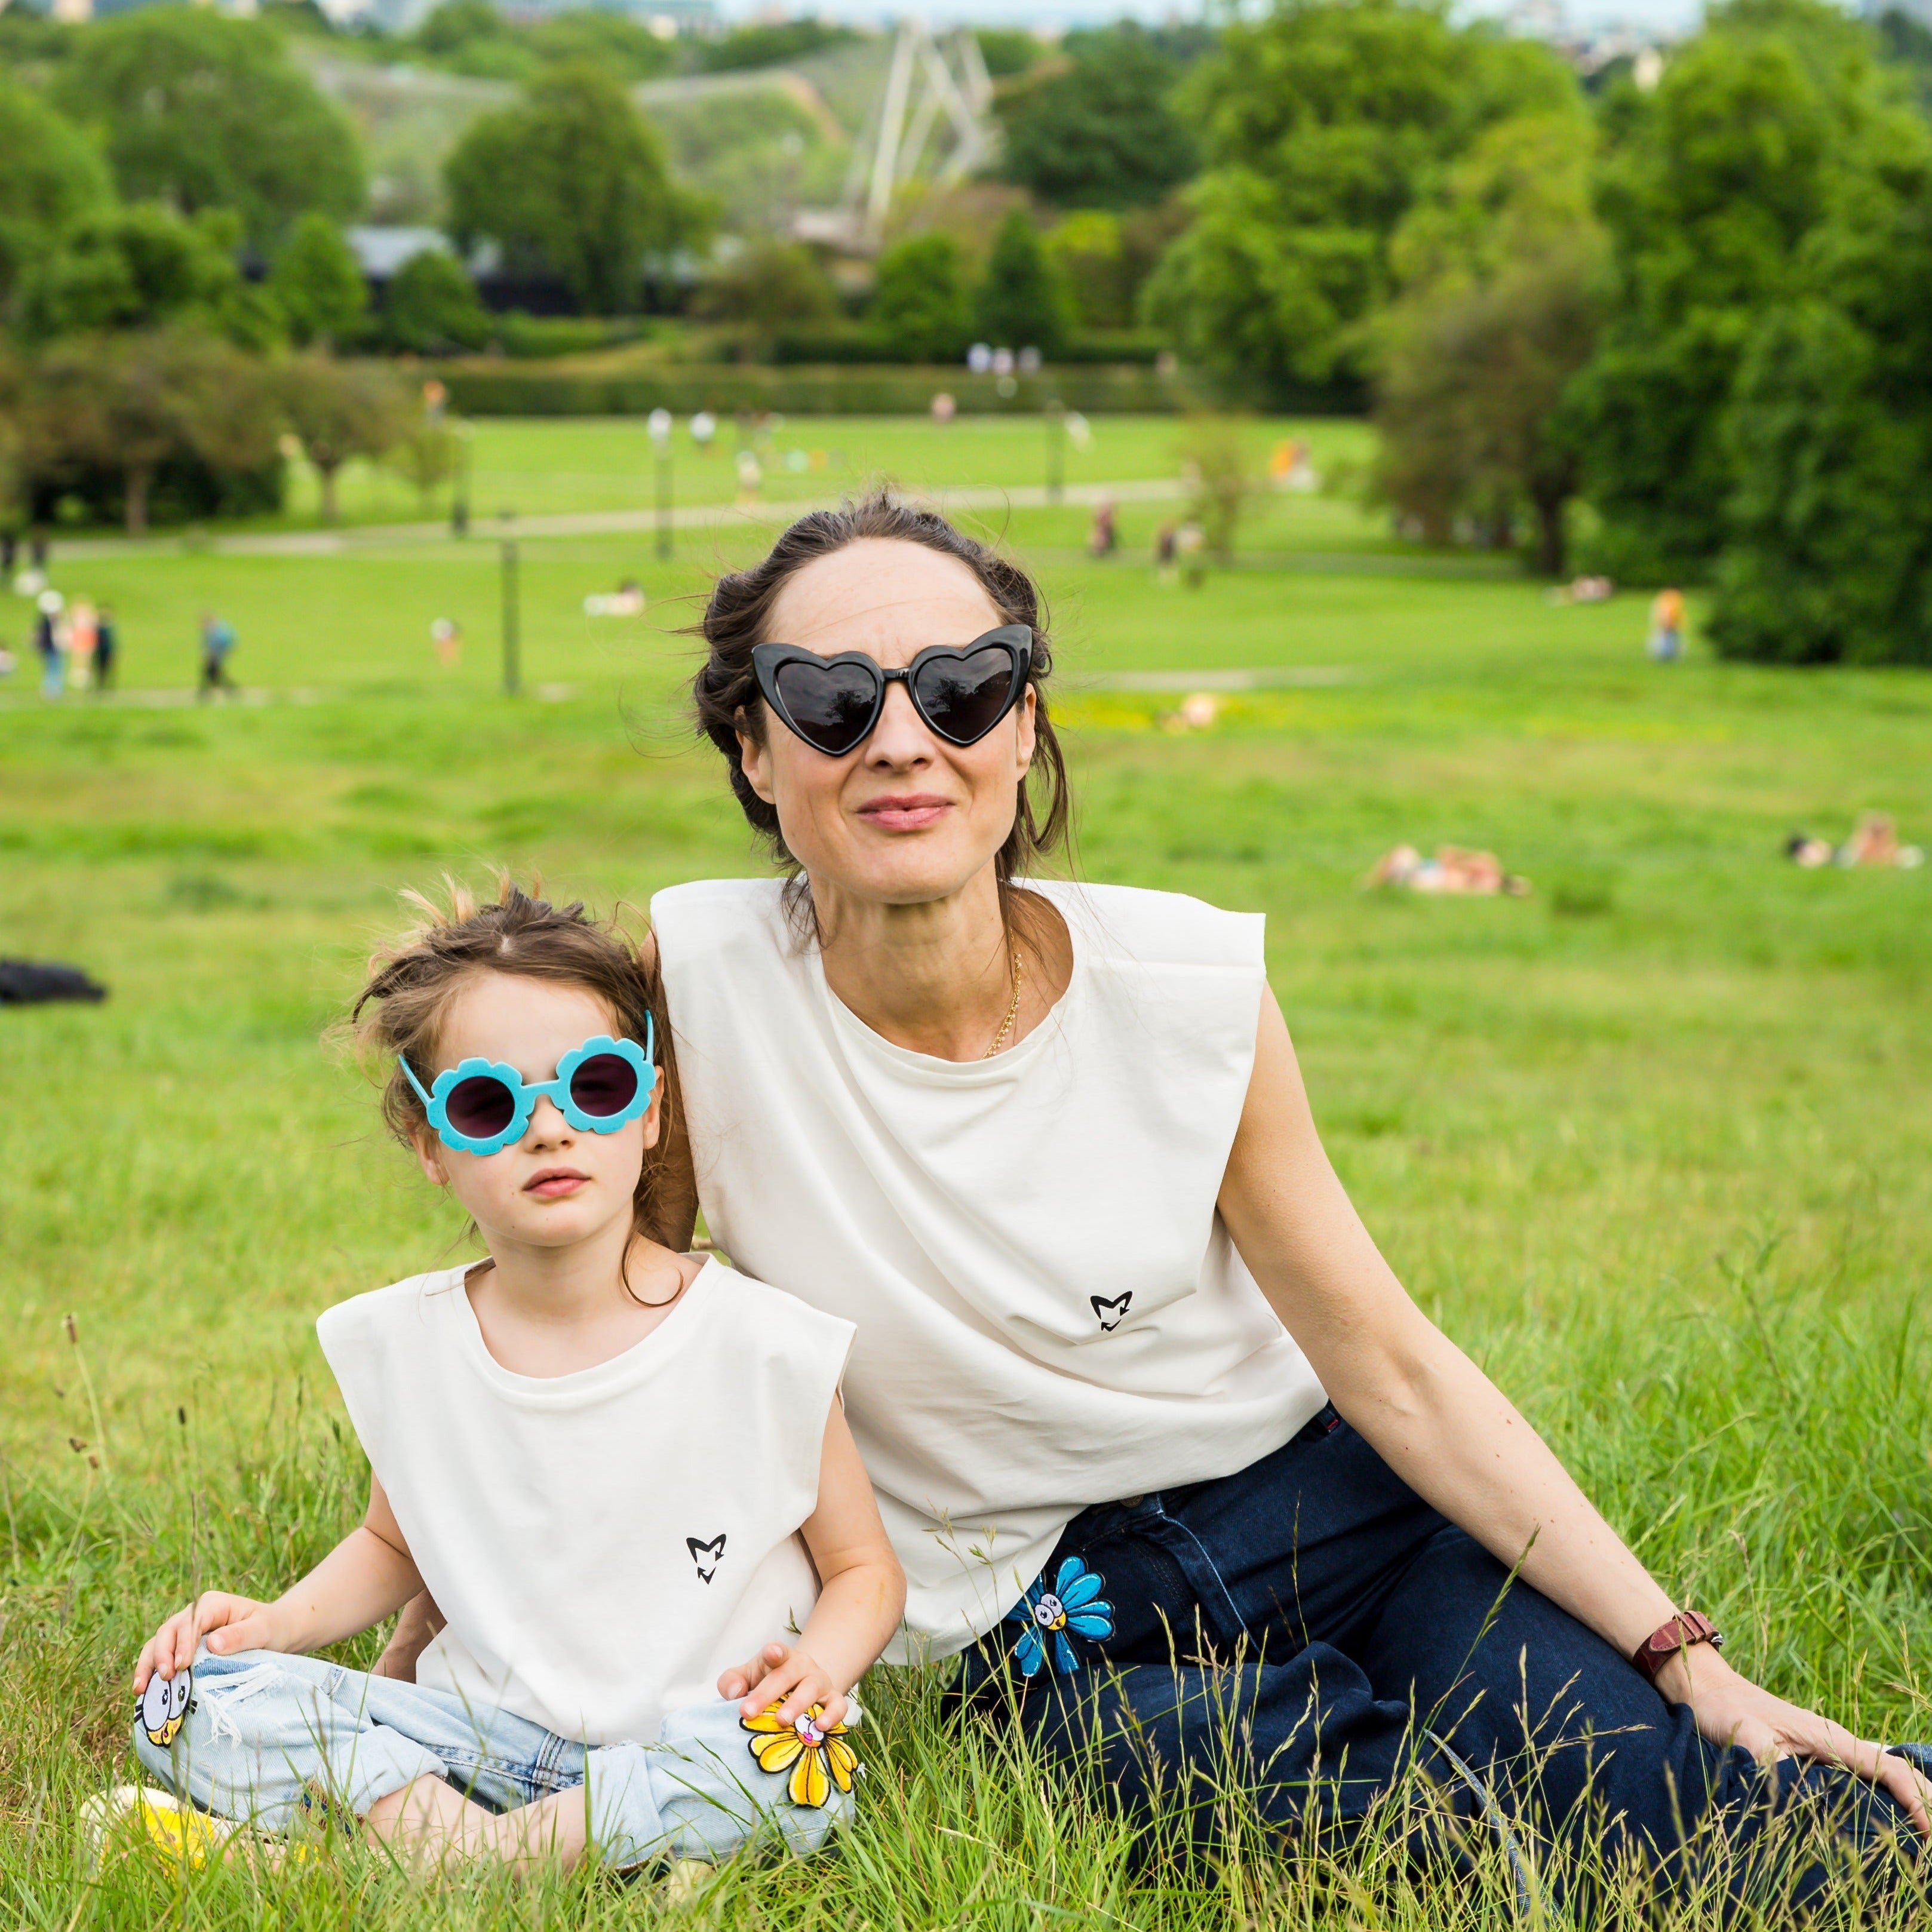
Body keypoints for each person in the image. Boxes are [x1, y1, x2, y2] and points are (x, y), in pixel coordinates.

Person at [379, 493, 1930, 1908]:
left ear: (1020, 721)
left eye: (961, 686)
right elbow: (601, 1349)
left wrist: (1681, 1652)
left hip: (1342, 1516)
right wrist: (444, 1644)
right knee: (1200, 1791)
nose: (902, 738)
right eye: (834, 700)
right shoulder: (697, 991)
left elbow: (1388, 1363)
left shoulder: (1188, 989)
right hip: (1052, 1607)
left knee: (1689, 1808)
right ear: (754, 750)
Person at [119, 884, 903, 1876]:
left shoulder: (762, 1344)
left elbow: (866, 1572)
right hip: (473, 1744)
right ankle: (508, 1850)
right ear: (432, 1143)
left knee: (797, 1772)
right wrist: (273, 1626)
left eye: (598, 1087)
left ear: (651, 1112)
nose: (549, 1127)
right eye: (490, 1102)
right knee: (185, 1698)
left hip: (689, 1741)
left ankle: (412, 1857)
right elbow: (390, 1544)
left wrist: (817, 1670)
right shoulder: (415, 1343)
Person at [198, 612, 236, 699]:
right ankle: (229, 689)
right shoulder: (211, 632)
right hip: (215, 656)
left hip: (215, 656)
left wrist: (210, 655)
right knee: (212, 674)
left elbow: (217, 645)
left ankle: (205, 693)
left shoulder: (216, 632)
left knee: (211, 674)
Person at [34, 589, 64, 700]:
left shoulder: (51, 620)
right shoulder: (47, 622)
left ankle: (54, 689)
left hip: (52, 648)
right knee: (52, 668)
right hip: (51, 648)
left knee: (54, 668)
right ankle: (51, 689)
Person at [1648, 587, 1685, 661]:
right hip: (1668, 624)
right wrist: (1667, 623)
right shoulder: (1668, 602)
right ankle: (1666, 655)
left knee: (1671, 640)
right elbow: (1666, 614)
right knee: (1667, 640)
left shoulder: (1669, 601)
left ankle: (1669, 654)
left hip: (1671, 624)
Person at [92, 605, 116, 692]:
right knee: (100, 671)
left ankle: (107, 687)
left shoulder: (105, 628)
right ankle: (101, 687)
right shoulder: (100, 628)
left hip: (105, 652)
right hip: (101, 652)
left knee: (106, 671)